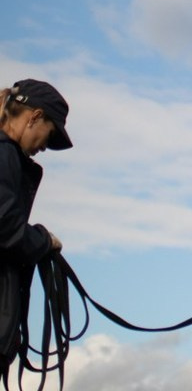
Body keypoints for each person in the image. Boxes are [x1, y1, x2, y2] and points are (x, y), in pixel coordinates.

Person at [1, 80, 70, 387]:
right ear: (34, 116)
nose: (44, 146)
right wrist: (44, 240)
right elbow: (7, 230)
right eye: (50, 134)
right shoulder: (4, 156)